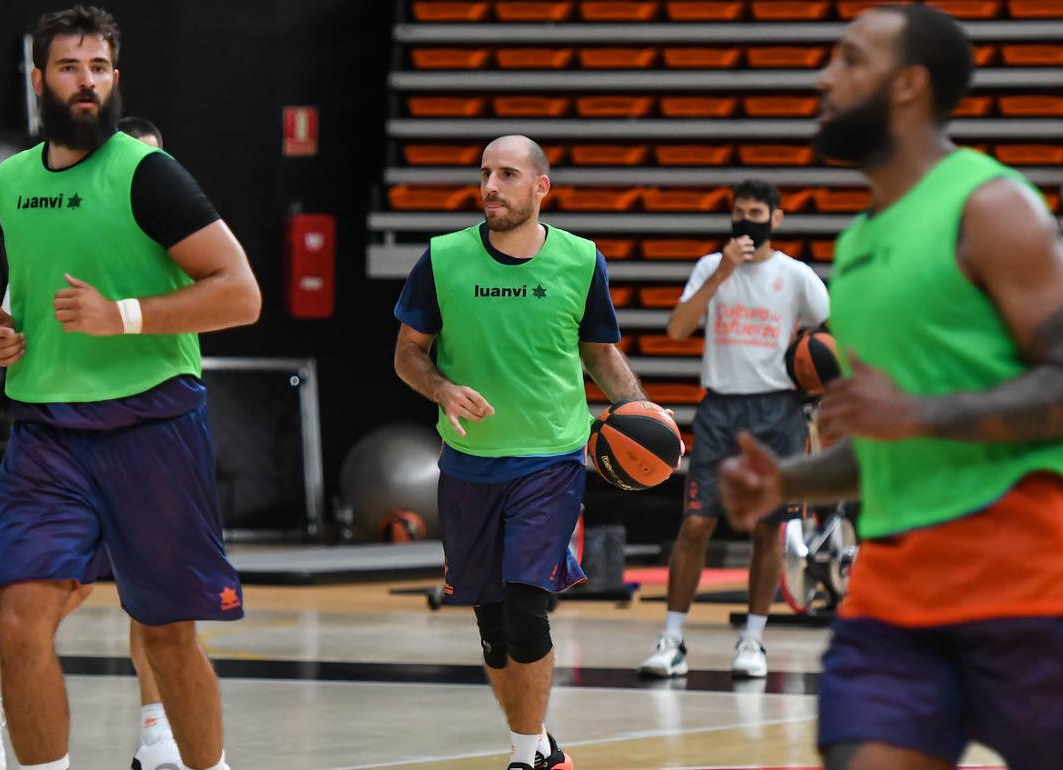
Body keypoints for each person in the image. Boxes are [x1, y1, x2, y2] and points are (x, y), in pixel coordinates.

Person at [720, 6, 1063, 769]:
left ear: (907, 85)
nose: (824, 76)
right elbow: (890, 440)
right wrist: (786, 480)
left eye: (848, 59)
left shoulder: (993, 208)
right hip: (892, 597)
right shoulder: (859, 243)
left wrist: (916, 414)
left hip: (1025, 589)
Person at [0, 7, 260, 770]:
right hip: (48, 432)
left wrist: (122, 315)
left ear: (116, 78)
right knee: (20, 625)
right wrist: (7, 334)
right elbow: (31, 293)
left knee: (166, 635)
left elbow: (241, 293)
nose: (87, 80)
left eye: (99, 67)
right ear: (39, 81)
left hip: (151, 426)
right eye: (70, 67)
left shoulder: (146, 172)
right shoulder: (12, 179)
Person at [394, 134, 647, 770]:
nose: (490, 186)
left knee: (527, 607)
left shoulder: (581, 260)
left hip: (550, 460)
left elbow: (600, 356)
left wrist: (640, 410)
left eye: (507, 173)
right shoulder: (442, 259)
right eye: (485, 172)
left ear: (540, 187)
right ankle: (536, 746)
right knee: (493, 624)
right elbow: (408, 353)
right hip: (469, 462)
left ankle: (526, 755)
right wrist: (442, 387)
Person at [0, 114, 182, 770]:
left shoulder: (178, 237)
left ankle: (158, 737)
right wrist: (1, 341)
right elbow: (9, 323)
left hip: (149, 429)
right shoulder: (57, 234)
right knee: (63, 586)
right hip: (66, 431)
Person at [640, 180, 829, 679]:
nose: (747, 221)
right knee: (696, 524)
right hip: (720, 408)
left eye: (756, 212)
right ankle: (672, 639)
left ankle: (753, 640)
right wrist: (721, 272)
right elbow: (678, 330)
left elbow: (832, 337)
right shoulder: (710, 267)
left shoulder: (795, 275)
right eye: (739, 212)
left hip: (778, 411)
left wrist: (817, 374)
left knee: (769, 531)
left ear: (776, 219)